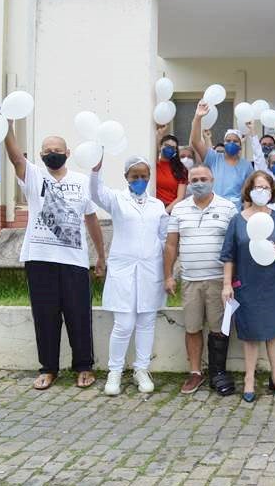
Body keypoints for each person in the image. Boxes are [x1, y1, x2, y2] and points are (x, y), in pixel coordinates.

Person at [4, 121, 106, 390]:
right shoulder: (35, 176)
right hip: (40, 258)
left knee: (79, 315)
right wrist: (8, 124)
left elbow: (92, 220)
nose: (53, 153)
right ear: (40, 155)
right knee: (45, 315)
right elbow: (15, 156)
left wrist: (101, 256)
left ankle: (84, 366)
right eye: (47, 149)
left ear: (68, 153)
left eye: (57, 149)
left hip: (74, 261)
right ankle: (48, 369)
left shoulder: (82, 182)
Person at [90, 156, 168, 395]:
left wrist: (167, 271)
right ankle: (115, 371)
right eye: (135, 176)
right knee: (124, 323)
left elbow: (164, 238)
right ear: (126, 178)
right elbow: (95, 193)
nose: (140, 180)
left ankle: (141, 369)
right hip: (123, 269)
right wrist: (96, 170)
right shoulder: (117, 199)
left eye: (144, 176)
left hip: (150, 269)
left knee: (146, 322)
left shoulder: (157, 205)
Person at [220, 171, 275, 402]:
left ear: (272, 191)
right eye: (258, 187)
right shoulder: (237, 220)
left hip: (274, 282)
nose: (261, 192)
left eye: (266, 188)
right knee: (250, 333)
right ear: (249, 190)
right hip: (247, 282)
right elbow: (228, 255)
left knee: (274, 332)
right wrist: (227, 284)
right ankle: (249, 379)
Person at [164, 165, 238, 396]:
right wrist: (168, 275)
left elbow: (235, 245)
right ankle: (195, 373)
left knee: (219, 330)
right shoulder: (179, 210)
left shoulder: (228, 208)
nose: (198, 183)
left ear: (212, 180)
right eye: (194, 179)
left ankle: (218, 373)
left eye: (203, 178)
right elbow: (171, 245)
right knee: (193, 328)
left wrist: (232, 280)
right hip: (190, 280)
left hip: (219, 280)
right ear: (188, 181)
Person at [189, 101, 253, 209]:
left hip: (234, 212)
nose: (231, 143)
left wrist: (244, 216)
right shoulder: (213, 158)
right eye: (228, 140)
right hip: (212, 209)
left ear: (240, 145)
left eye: (235, 141)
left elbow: (248, 194)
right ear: (224, 143)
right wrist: (198, 117)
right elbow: (196, 142)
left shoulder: (246, 166)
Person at [155, 124, 188, 212]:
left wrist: (165, 212)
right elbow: (153, 148)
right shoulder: (154, 164)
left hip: (171, 211)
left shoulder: (181, 169)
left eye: (173, 148)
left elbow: (180, 197)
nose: (169, 149)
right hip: (153, 208)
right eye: (167, 145)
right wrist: (159, 134)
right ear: (160, 146)